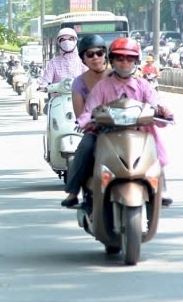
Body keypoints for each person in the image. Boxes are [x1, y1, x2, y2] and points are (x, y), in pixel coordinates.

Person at [61, 38, 173, 208]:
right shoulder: (100, 86)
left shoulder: (143, 85)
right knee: (86, 146)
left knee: (154, 142)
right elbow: (88, 110)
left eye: (130, 59)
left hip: (138, 131)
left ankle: (161, 188)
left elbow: (154, 105)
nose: (124, 63)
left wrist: (163, 112)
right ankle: (74, 191)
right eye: (120, 58)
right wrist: (84, 121)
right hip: (104, 132)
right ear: (112, 60)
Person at [71, 35, 109, 118]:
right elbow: (80, 116)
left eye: (99, 53)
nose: (95, 58)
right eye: (90, 54)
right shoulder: (79, 83)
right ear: (83, 58)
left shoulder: (117, 76)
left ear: (105, 55)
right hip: (94, 129)